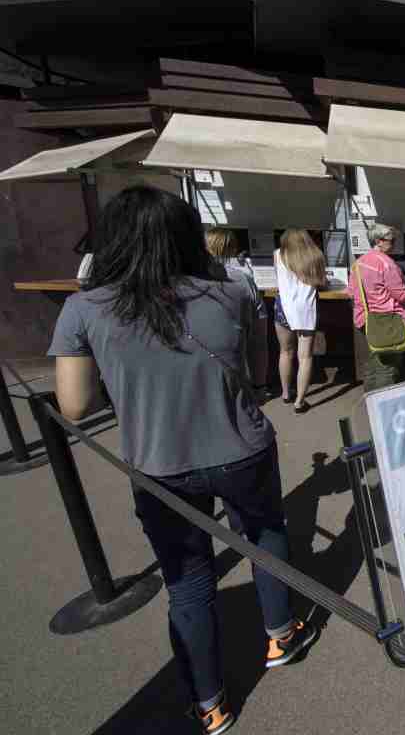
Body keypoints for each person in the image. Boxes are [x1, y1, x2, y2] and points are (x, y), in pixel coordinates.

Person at [48, 187, 317, 735]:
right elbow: (261, 372)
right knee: (264, 535)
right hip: (241, 446)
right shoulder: (234, 289)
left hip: (158, 461)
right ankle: (281, 632)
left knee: (188, 580)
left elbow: (74, 405)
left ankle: (211, 702)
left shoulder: (83, 308)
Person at [352, 223, 405, 392]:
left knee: (373, 363)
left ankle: (370, 399)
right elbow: (401, 295)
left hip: (366, 319)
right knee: (388, 367)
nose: (394, 244)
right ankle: (384, 407)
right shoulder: (387, 265)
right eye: (391, 241)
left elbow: (352, 291)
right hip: (388, 321)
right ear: (379, 241)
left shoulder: (359, 263)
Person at [204, 227, 268, 387]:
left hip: (203, 373)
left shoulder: (192, 278)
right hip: (238, 370)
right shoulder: (244, 280)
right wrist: (259, 385)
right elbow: (259, 339)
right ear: (233, 248)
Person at [274, 229, 325, 413]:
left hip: (283, 306)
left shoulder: (278, 254)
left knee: (285, 352)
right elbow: (321, 281)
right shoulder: (315, 256)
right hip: (306, 308)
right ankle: (299, 402)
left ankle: (286, 393)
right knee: (305, 357)